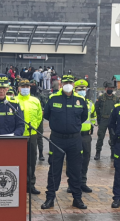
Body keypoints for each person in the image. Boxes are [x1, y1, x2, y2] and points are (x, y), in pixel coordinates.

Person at [41, 74, 88, 210]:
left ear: (73, 84)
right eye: (65, 82)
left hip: (74, 139)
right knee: (54, 169)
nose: (68, 84)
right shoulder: (53, 98)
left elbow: (83, 117)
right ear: (61, 84)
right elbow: (47, 115)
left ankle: (77, 198)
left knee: (75, 170)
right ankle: (50, 198)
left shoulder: (80, 100)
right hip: (57, 139)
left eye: (70, 82)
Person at [17, 79, 43, 194]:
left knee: (31, 161)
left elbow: (39, 117)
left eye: (27, 86)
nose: (25, 88)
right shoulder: (14, 100)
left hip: (32, 135)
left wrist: (35, 127)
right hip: (18, 137)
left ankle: (30, 184)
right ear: (18, 88)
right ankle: (18, 184)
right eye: (23, 86)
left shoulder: (35, 101)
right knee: (18, 161)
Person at [73, 79, 96, 193]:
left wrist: (92, 126)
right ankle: (72, 183)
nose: (82, 91)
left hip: (86, 136)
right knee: (73, 160)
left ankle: (83, 182)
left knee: (85, 159)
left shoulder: (90, 104)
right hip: (74, 135)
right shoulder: (71, 102)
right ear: (75, 90)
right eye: (79, 89)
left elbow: (93, 117)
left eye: (84, 89)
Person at [94, 82, 120, 160]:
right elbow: (96, 108)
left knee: (113, 137)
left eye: (112, 88)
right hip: (103, 120)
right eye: (109, 88)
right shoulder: (101, 98)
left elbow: (118, 109)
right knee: (100, 137)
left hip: (112, 121)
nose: (110, 90)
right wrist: (99, 119)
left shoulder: (116, 99)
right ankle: (98, 153)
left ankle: (113, 153)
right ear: (106, 89)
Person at [30, 80, 46, 161]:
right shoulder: (27, 95)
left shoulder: (40, 95)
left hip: (39, 119)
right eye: (31, 84)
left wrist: (43, 110)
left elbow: (45, 105)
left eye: (34, 84)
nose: (33, 85)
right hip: (29, 119)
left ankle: (41, 154)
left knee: (39, 137)